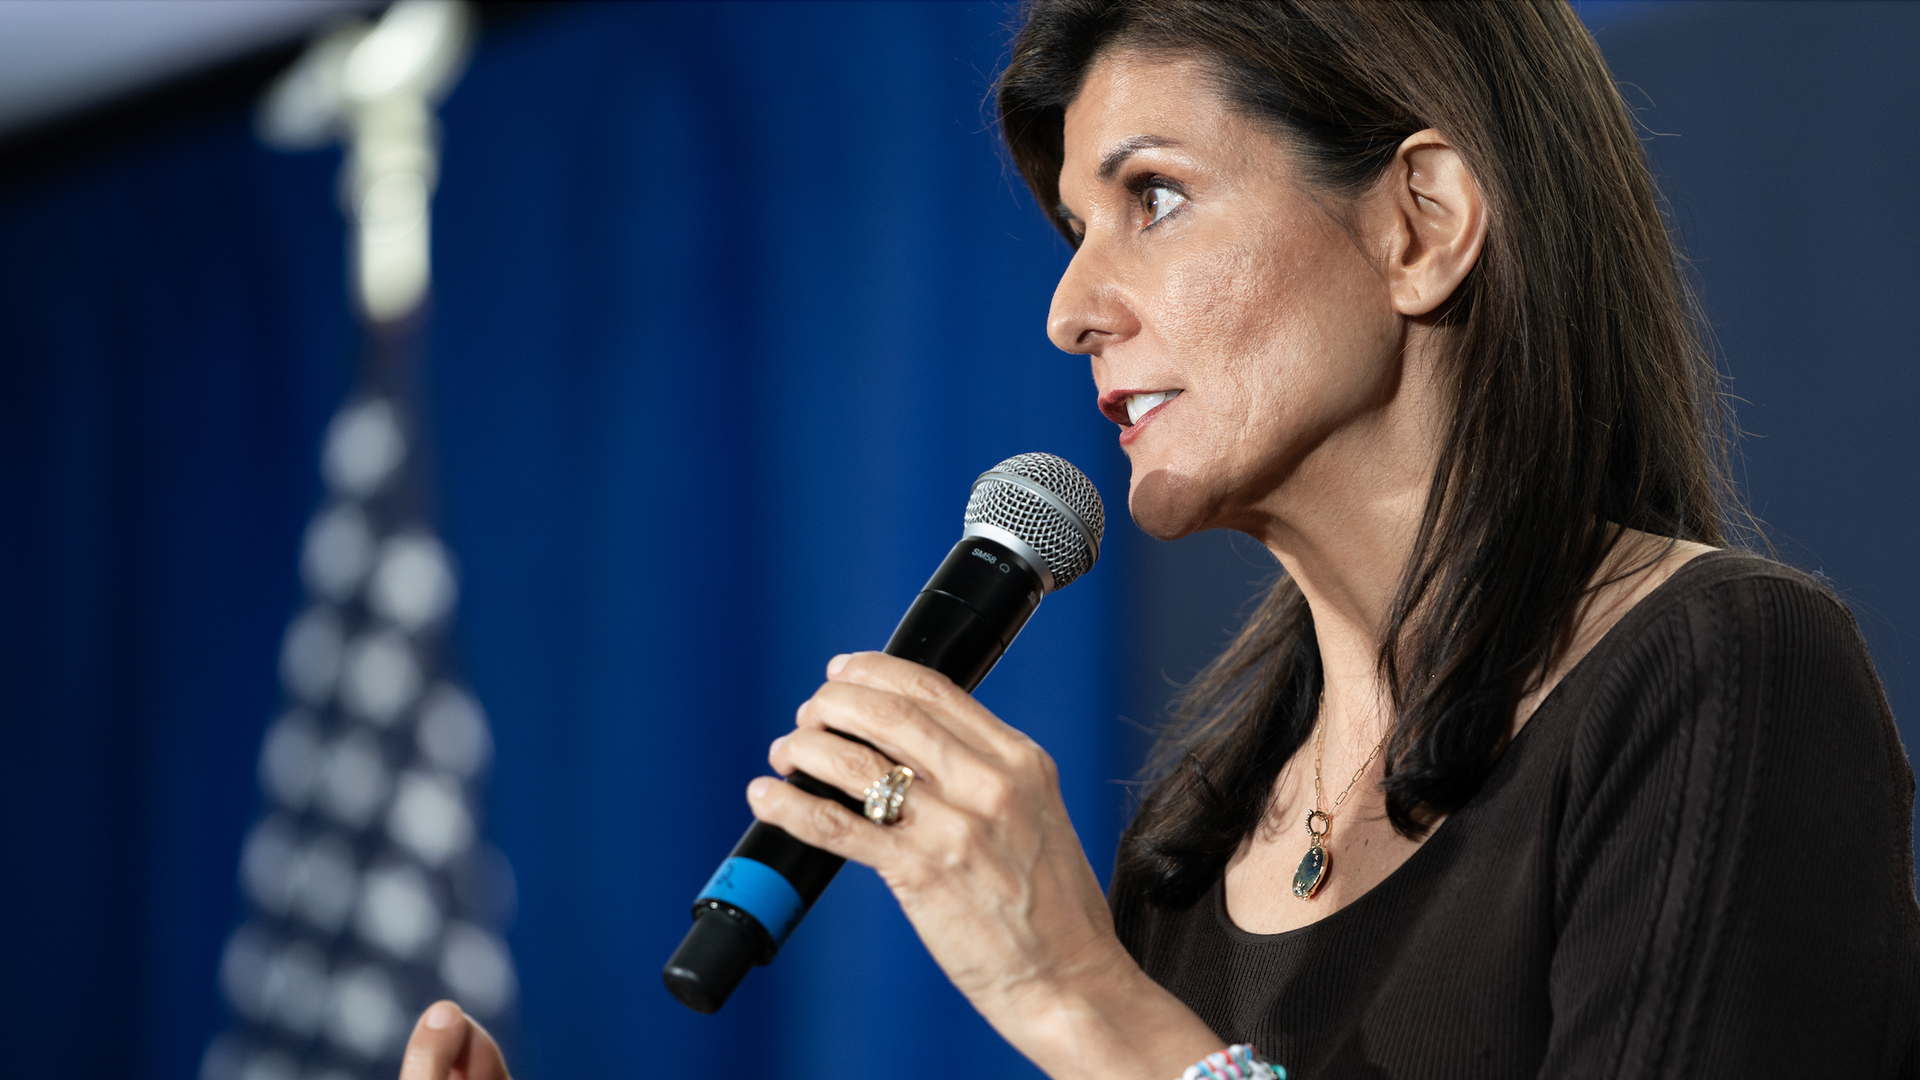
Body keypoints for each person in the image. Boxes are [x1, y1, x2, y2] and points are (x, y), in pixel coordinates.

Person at [398, 2, 1920, 1077]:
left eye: (1158, 197)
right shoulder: (1199, 842)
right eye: (1077, 232)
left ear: (1421, 221)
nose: (1072, 310)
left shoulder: (1716, 673)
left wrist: (1080, 999)